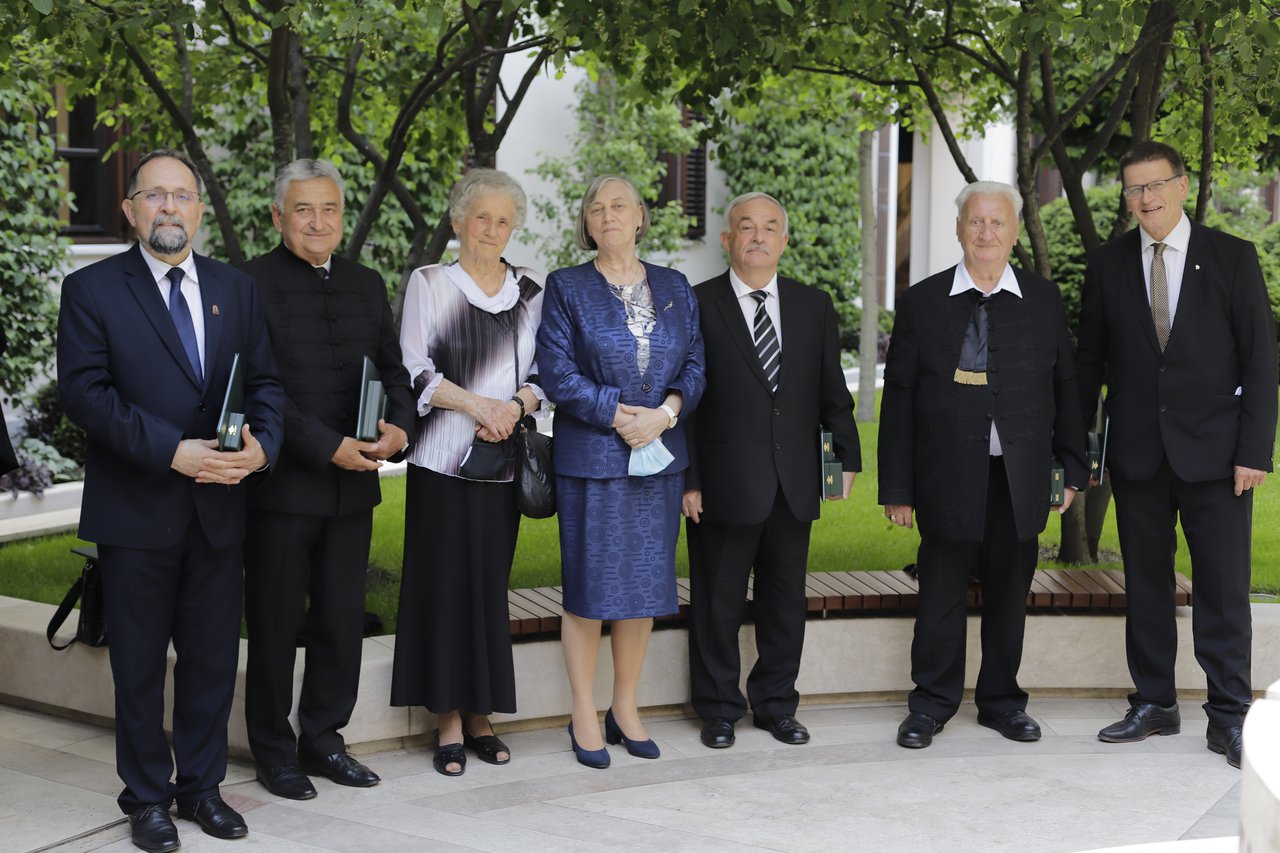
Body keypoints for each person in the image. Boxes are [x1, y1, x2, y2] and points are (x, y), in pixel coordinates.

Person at [57, 148, 285, 852]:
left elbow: (268, 384)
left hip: (219, 513)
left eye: (181, 196)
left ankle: (202, 789)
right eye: (154, 195)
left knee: (214, 660)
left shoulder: (235, 289)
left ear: (198, 210)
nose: (169, 208)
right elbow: (85, 397)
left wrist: (263, 448)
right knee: (138, 666)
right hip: (136, 512)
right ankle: (147, 796)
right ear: (130, 209)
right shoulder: (91, 289)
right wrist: (171, 449)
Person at [1076, 141, 1278, 768]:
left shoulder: (1232, 258)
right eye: (1133, 189)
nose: (1145, 199)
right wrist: (1080, 448)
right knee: (1147, 585)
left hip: (1219, 459)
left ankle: (1229, 715)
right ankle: (1155, 702)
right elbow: (1089, 366)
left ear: (1183, 185)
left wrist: (1255, 451)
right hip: (1137, 456)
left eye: (1154, 185)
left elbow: (1261, 360)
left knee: (1222, 590)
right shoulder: (1108, 265)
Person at [880, 180, 1087, 750]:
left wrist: (1072, 467)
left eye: (998, 223)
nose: (987, 233)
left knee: (1007, 597)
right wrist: (896, 487)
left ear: (1015, 231)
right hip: (945, 474)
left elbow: (1065, 387)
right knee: (940, 596)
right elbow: (898, 398)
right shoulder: (922, 302)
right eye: (976, 222)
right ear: (959, 229)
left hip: (1018, 477)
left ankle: (1001, 702)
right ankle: (931, 704)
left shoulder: (1042, 300)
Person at [239, 159, 414, 799]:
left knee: (342, 621)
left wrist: (399, 428)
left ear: (343, 216)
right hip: (283, 488)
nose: (318, 222)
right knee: (276, 624)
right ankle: (274, 752)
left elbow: (394, 371)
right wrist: (328, 446)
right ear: (279, 216)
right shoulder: (247, 284)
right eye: (304, 210)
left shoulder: (367, 283)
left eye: (330, 209)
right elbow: (260, 392)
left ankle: (324, 740)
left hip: (353, 489)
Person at [537, 174, 705, 768]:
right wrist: (615, 413)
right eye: (596, 208)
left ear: (640, 217)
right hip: (593, 462)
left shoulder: (677, 287)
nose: (607, 215)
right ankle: (584, 711)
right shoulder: (566, 287)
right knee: (588, 591)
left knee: (642, 591)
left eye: (619, 206)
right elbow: (555, 372)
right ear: (587, 224)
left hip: (657, 461)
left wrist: (663, 414)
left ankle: (625, 708)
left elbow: (694, 368)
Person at [682, 192, 860, 750]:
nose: (758, 236)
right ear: (727, 239)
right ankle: (717, 709)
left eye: (770, 227)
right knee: (718, 602)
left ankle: (777, 705)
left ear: (785, 240)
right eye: (746, 227)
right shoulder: (696, 304)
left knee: (785, 601)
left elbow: (833, 393)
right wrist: (688, 478)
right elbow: (681, 396)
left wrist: (845, 458)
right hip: (721, 483)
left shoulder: (814, 305)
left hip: (795, 479)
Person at [391, 169, 545, 776]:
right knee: (441, 588)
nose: (492, 230)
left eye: (504, 220)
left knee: (488, 587)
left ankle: (482, 713)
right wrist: (479, 404)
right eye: (481, 217)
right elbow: (415, 367)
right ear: (457, 221)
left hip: (501, 464)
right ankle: (448, 720)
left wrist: (512, 408)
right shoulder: (429, 282)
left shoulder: (531, 291)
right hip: (440, 462)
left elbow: (543, 377)